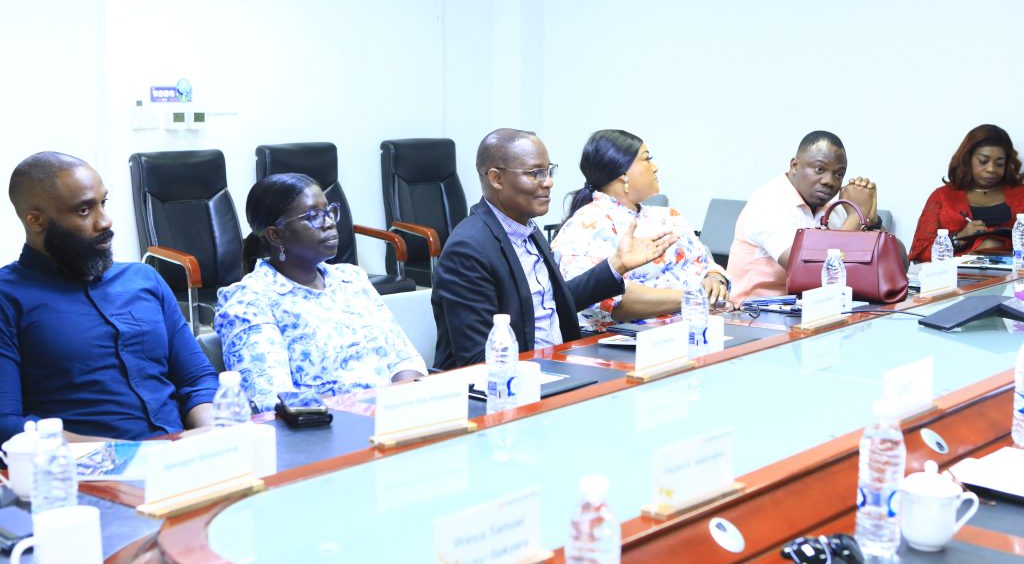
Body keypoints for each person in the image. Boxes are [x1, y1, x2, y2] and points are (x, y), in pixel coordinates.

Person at [0, 152, 217, 444]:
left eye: (103, 203)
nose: (105, 221)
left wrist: (211, 435)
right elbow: (7, 424)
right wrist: (130, 453)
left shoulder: (144, 279)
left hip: (181, 455)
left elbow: (197, 380)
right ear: (36, 221)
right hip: (84, 466)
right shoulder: (8, 297)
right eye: (83, 210)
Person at [432, 128, 676, 370]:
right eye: (535, 173)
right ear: (496, 179)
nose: (549, 182)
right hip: (515, 378)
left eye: (548, 171)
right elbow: (479, 360)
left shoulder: (526, 229)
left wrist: (617, 265)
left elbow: (553, 300)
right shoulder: (468, 249)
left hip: (554, 363)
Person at [215, 173, 426, 412]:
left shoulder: (352, 279)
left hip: (394, 418)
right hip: (323, 427)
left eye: (328, 211)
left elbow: (404, 359)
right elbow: (272, 400)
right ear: (276, 235)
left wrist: (405, 407)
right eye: (313, 216)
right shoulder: (250, 301)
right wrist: (368, 411)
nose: (329, 222)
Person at [551, 129, 729, 328]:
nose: (655, 168)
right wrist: (692, 298)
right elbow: (597, 300)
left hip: (698, 326)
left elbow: (707, 264)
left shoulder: (669, 216)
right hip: (627, 339)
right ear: (623, 172)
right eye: (647, 159)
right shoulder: (587, 225)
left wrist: (715, 279)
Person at [728, 131, 881, 304]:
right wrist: (856, 215)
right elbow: (811, 271)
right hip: (754, 313)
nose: (829, 181)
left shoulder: (831, 208)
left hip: (812, 307)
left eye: (838, 174)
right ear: (794, 165)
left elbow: (889, 265)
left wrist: (870, 220)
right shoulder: (769, 202)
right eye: (819, 169)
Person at [908, 124, 1024, 262]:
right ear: (968, 159)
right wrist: (960, 237)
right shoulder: (942, 197)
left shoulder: (1020, 195)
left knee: (992, 244)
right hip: (958, 270)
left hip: (1013, 269)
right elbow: (920, 253)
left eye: (999, 163)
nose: (991, 169)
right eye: (983, 161)